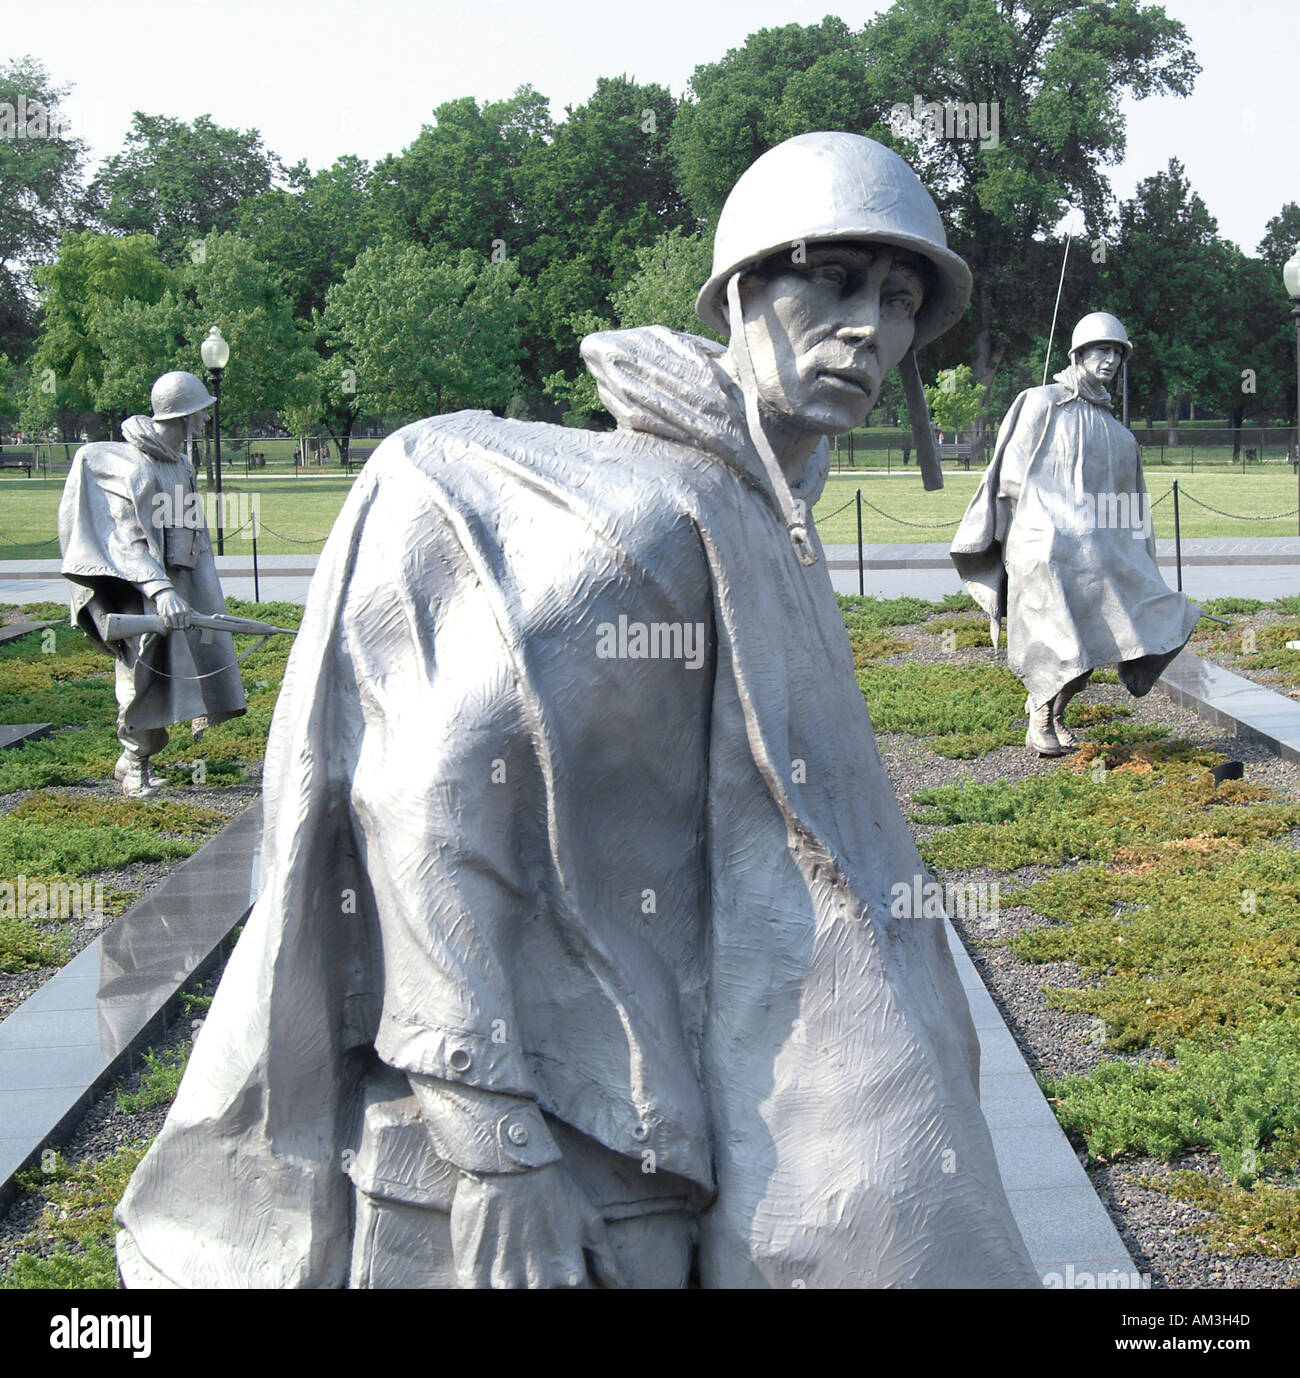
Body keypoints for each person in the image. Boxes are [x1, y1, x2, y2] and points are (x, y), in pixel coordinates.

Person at [115, 133, 1039, 1289]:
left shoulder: (758, 516)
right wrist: (498, 1147)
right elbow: (432, 796)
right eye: (833, 280)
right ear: (745, 292)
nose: (868, 326)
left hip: (661, 1141)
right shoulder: (648, 519)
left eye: (899, 300)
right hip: (560, 1165)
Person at [950, 313, 1200, 756]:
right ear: (1078, 354)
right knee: (1063, 633)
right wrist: (1054, 523)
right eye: (1101, 350)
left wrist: (1136, 560)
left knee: (1124, 629)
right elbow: (1012, 476)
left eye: (1117, 354)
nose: (1109, 360)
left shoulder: (1120, 436)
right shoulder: (1041, 403)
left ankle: (1052, 710)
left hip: (1098, 556)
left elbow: (1130, 511)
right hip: (1044, 544)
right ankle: (1042, 714)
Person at [58, 371, 245, 795]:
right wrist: (159, 590)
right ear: (184, 415)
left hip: (177, 590)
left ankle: (132, 762)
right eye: (200, 413)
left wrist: (194, 593)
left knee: (171, 675)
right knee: (140, 676)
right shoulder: (137, 467)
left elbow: (190, 535)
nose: (205, 421)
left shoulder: (181, 465)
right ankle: (134, 764)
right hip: (142, 592)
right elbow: (125, 540)